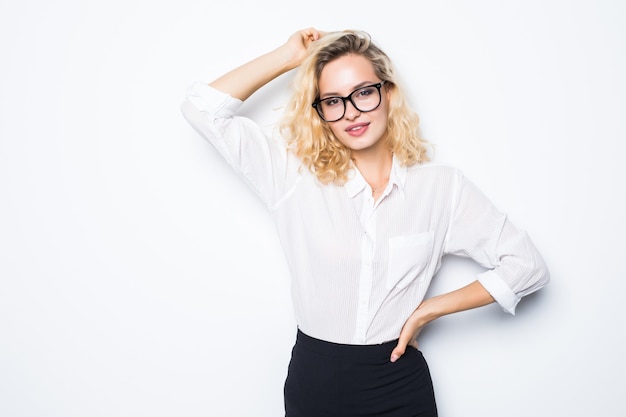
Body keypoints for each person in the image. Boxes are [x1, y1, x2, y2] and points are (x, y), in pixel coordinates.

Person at [181, 28, 549, 417]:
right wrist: (289, 56)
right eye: (333, 101)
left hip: (398, 381)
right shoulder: (293, 179)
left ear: (388, 94)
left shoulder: (442, 188)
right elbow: (200, 108)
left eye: (363, 93)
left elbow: (527, 267)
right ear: (321, 114)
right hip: (315, 383)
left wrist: (429, 310)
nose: (351, 111)